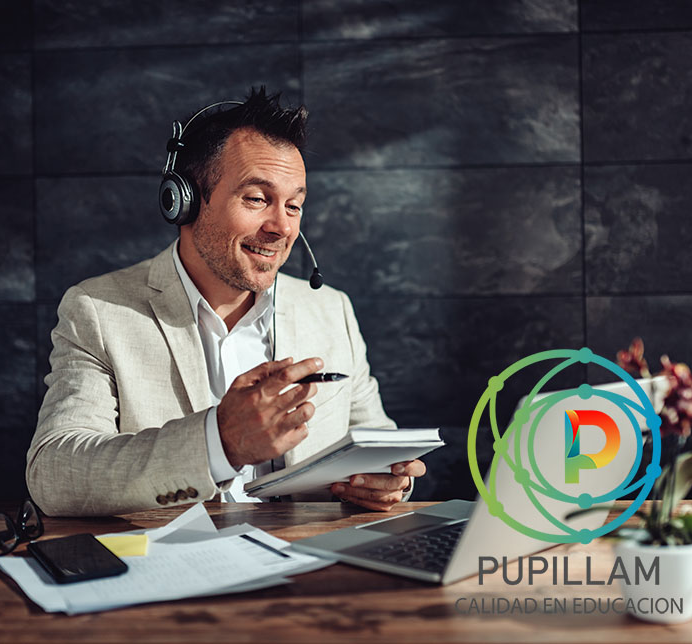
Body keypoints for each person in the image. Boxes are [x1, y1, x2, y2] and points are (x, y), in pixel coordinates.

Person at [27, 88, 426, 516]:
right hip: (176, 570)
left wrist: (385, 482)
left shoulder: (332, 310)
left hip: (309, 565)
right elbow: (55, 473)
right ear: (183, 201)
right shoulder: (98, 310)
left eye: (294, 205)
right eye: (257, 199)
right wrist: (220, 442)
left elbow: (374, 440)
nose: (281, 228)